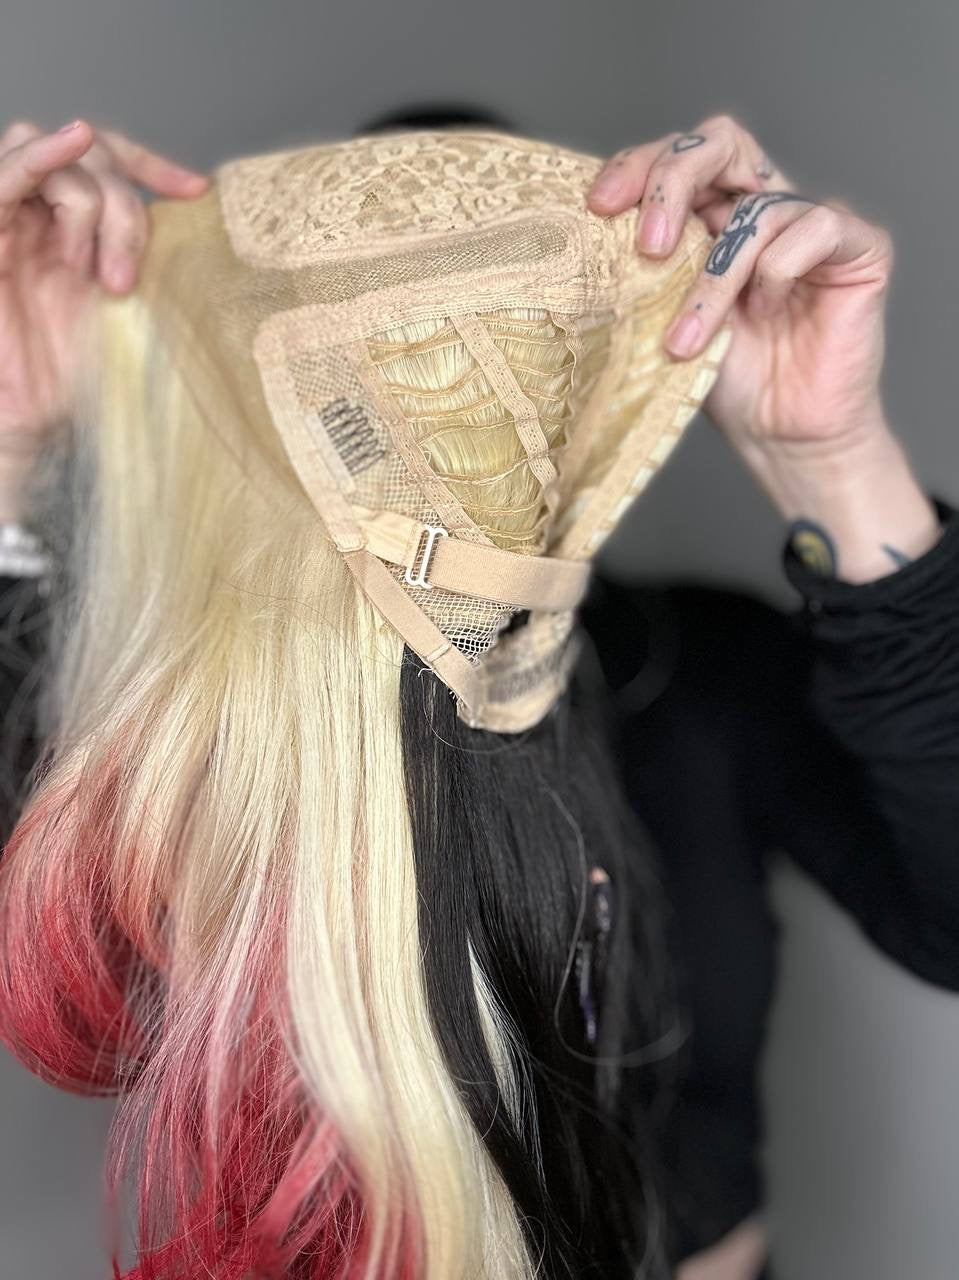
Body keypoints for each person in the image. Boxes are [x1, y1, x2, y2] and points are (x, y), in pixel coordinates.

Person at [0, 111, 953, 1280]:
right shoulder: (178, 728)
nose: (432, 400)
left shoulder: (707, 670)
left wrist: (832, 458)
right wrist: (9, 435)